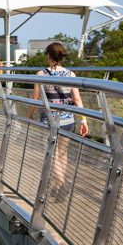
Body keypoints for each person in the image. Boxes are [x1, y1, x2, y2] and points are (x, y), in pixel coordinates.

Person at [28, 42, 88, 198]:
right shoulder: (71, 75)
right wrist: (83, 121)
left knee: (51, 154)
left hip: (49, 121)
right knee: (62, 154)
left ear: (48, 55)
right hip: (68, 121)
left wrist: (29, 115)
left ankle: (61, 184)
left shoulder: (41, 74)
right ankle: (58, 185)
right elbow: (77, 99)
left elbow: (36, 97)